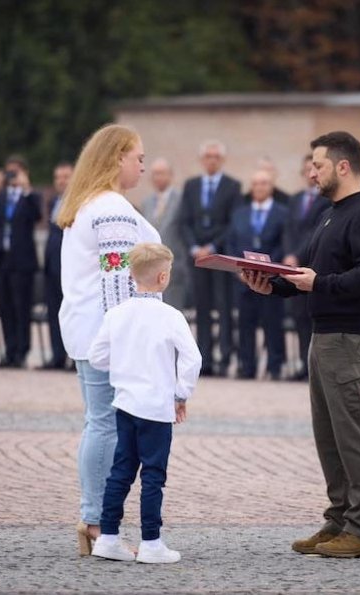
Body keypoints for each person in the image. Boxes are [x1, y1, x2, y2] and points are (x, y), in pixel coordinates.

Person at [240, 131, 360, 559]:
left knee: (355, 435)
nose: (311, 171)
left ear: (343, 167)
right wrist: (271, 285)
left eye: (318, 164)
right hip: (324, 336)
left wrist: (318, 283)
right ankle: (340, 519)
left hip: (350, 339)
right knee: (330, 437)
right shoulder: (330, 214)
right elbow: (306, 275)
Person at [57, 123, 160, 555]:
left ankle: (96, 519)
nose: (143, 164)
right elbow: (120, 281)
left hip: (89, 330)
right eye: (138, 156)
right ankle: (97, 522)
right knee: (105, 425)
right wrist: (130, 339)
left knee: (99, 423)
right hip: (107, 334)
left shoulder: (91, 204)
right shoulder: (112, 208)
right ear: (117, 157)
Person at [87, 242, 200, 564]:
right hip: (156, 407)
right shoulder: (171, 316)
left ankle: (108, 536)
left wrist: (124, 365)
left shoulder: (116, 314)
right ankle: (151, 541)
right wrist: (181, 394)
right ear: (164, 277)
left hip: (125, 403)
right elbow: (192, 359)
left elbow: (97, 356)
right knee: (153, 475)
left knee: (120, 471)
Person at [179, 139, 242, 377]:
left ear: (222, 160)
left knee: (224, 307)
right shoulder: (191, 185)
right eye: (208, 156)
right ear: (201, 160)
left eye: (216, 156)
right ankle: (204, 358)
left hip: (221, 257)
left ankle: (225, 358)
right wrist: (195, 247)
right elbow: (185, 221)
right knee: (201, 308)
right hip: (197, 258)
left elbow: (232, 222)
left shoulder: (232, 186)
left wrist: (213, 246)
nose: (212, 160)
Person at [224, 169, 288, 380]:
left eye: (264, 183)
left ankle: (275, 367)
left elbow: (283, 244)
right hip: (243, 280)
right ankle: (247, 366)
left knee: (273, 323)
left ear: (272, 186)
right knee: (245, 325)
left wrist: (269, 268)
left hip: (271, 281)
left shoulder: (282, 213)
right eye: (256, 183)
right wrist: (239, 269)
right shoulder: (239, 214)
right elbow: (231, 243)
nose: (259, 187)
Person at [0, 155, 42, 369]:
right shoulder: (0, 196)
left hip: (22, 260)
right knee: (5, 307)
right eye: (9, 171)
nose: (12, 176)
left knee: (21, 307)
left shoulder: (30, 196)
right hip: (1, 258)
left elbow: (36, 216)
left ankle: (21, 351)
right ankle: (9, 352)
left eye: (16, 172)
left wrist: (26, 189)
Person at [282, 154, 329, 381]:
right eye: (306, 171)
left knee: (314, 317)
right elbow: (288, 230)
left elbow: (315, 233)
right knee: (299, 316)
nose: (310, 175)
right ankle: (304, 364)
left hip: (313, 266)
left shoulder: (327, 200)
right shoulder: (295, 199)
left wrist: (297, 255)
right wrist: (289, 254)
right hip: (293, 267)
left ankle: (317, 366)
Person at [141, 158, 189, 309]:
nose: (158, 177)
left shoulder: (182, 199)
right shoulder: (146, 203)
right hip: (151, 268)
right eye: (155, 174)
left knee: (174, 310)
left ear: (170, 175)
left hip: (175, 266)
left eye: (162, 173)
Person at [41, 161, 74, 370]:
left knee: (71, 314)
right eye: (58, 177)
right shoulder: (53, 201)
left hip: (70, 268)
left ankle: (74, 358)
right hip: (52, 265)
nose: (61, 181)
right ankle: (57, 355)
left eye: (65, 177)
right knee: (54, 312)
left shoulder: (80, 203)